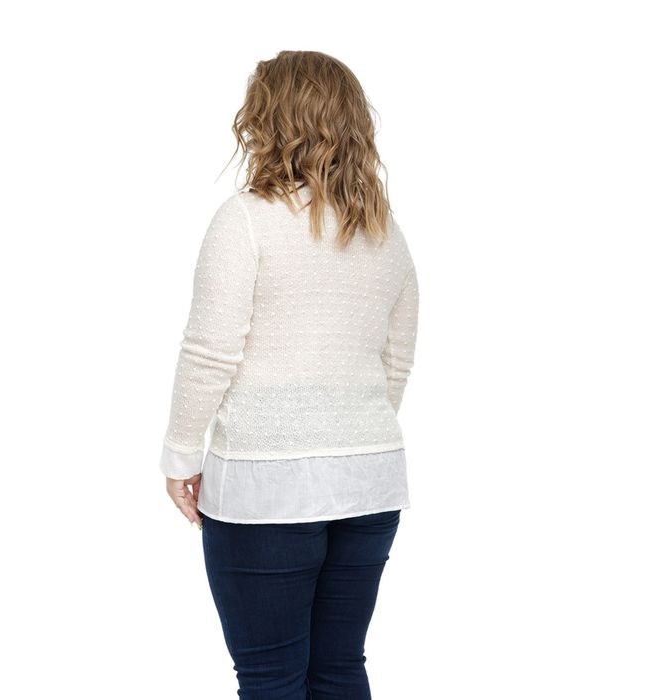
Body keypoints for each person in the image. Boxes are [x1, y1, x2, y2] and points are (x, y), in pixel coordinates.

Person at [159, 50, 419, 699]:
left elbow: (211, 350)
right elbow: (396, 358)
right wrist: (346, 432)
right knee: (340, 667)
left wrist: (181, 454)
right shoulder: (385, 231)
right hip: (370, 479)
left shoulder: (246, 219)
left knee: (271, 677)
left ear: (265, 120)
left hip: (266, 483)